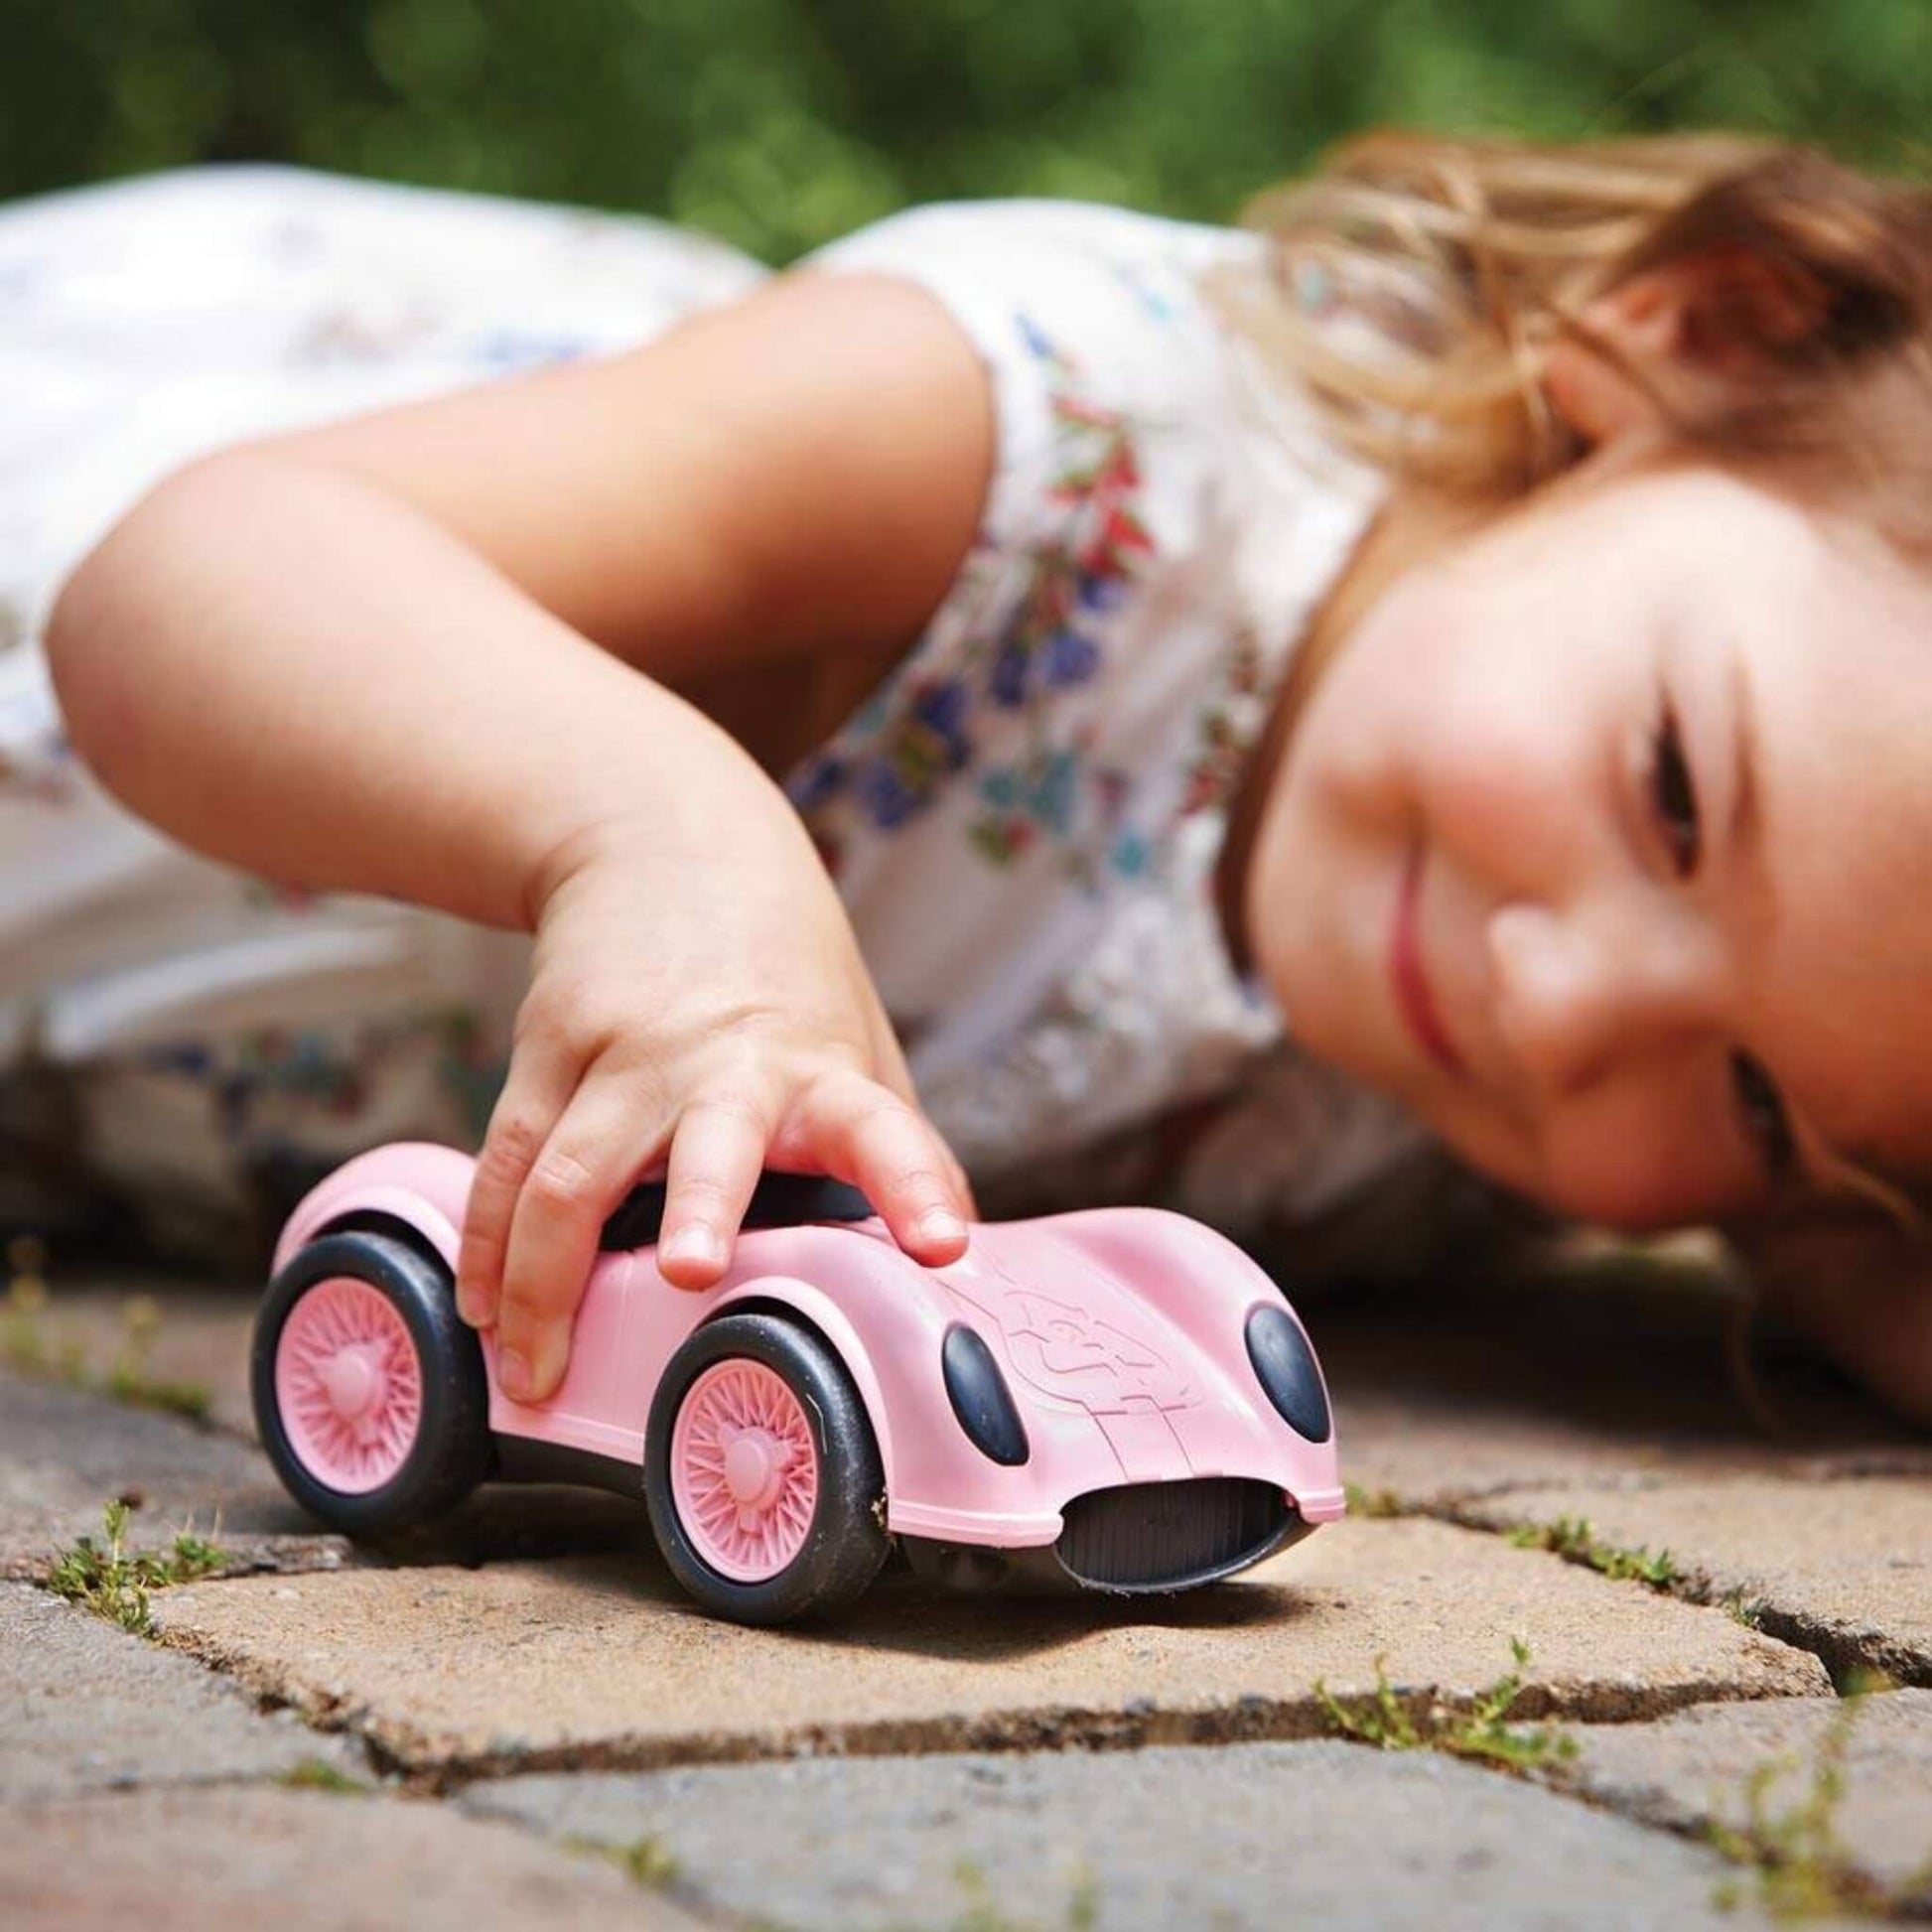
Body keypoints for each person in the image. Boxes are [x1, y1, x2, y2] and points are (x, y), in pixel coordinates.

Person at [9, 132, 1932, 1423]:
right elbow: (169, 595)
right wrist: (658, 828)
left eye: (1756, 1100)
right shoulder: (1052, 432)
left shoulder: (1537, 1059)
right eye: (1674, 792)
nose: (1564, 1003)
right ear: (1695, 337)